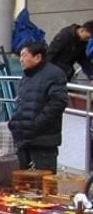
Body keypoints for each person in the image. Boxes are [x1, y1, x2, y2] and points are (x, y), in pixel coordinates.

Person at [8, 41, 68, 172]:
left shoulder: (54, 74)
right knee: (23, 185)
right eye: (20, 56)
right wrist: (14, 124)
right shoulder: (27, 75)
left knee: (42, 184)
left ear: (37, 57)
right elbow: (22, 103)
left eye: (24, 55)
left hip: (42, 141)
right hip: (23, 141)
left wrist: (36, 124)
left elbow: (58, 103)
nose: (21, 60)